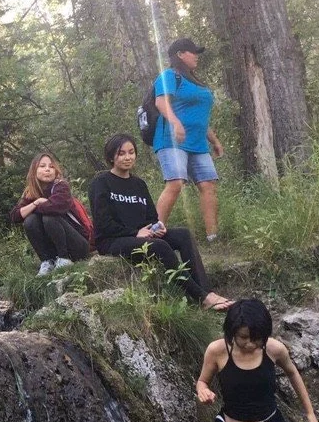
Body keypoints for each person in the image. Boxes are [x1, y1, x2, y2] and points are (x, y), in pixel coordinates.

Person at [90, 133, 232, 310]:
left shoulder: (138, 184)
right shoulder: (101, 182)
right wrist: (135, 233)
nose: (127, 157)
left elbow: (151, 217)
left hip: (142, 235)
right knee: (159, 246)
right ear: (111, 157)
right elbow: (103, 223)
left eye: (131, 152)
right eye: (121, 153)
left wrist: (157, 227)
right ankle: (201, 297)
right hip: (112, 241)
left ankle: (207, 290)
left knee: (183, 234)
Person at [154, 37, 223, 242]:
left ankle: (212, 237)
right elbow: (160, 102)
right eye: (193, 52)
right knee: (175, 183)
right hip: (172, 140)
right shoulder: (169, 76)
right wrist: (175, 123)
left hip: (199, 144)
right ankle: (153, 237)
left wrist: (215, 141)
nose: (196, 57)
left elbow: (200, 118)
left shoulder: (197, 82)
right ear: (180, 55)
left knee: (208, 185)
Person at [9, 152, 92, 275]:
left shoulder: (61, 186)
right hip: (54, 250)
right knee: (30, 220)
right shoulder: (31, 193)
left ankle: (65, 259)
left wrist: (31, 209)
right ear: (34, 170)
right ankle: (47, 262)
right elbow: (14, 216)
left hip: (78, 246)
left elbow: (55, 207)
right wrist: (36, 203)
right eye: (42, 166)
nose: (47, 169)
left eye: (51, 166)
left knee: (49, 217)